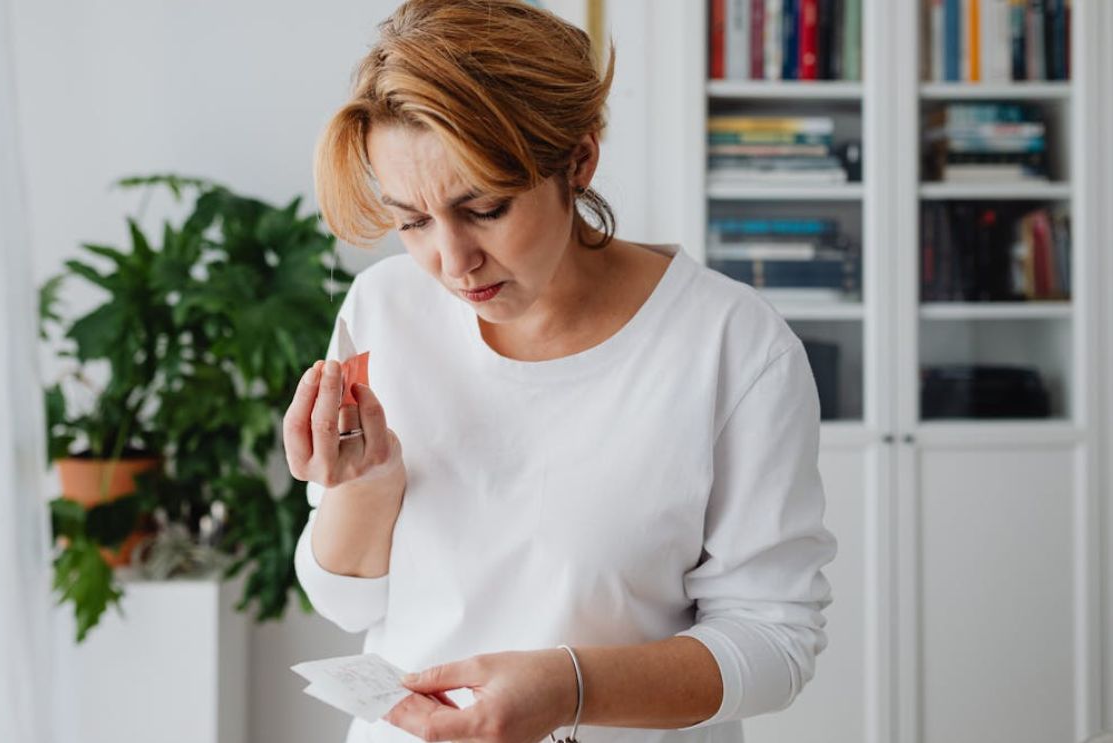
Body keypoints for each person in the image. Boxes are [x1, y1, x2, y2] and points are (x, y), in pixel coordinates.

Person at [286, 2, 838, 741]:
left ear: (578, 161)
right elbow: (345, 604)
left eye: (485, 208)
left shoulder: (731, 344)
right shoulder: (385, 307)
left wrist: (571, 688)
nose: (451, 262)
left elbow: (774, 641)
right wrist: (366, 484)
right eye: (411, 221)